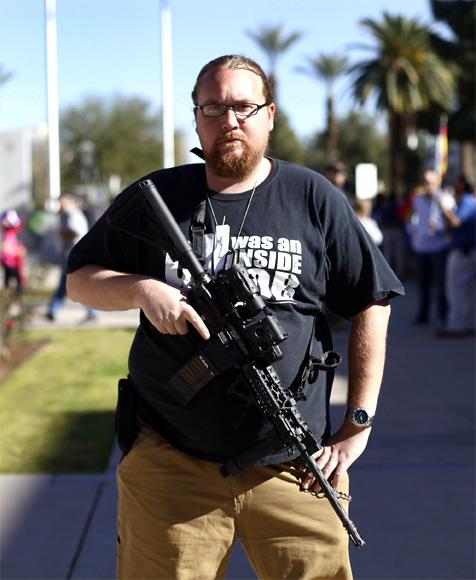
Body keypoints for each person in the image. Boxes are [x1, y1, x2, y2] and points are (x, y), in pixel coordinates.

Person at [66, 55, 404, 579]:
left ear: (269, 115)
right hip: (172, 467)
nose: (230, 120)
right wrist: (143, 290)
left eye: (244, 106)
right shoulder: (158, 197)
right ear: (197, 118)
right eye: (214, 107)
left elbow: (372, 299)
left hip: (298, 468)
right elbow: (80, 279)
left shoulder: (311, 196)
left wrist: (357, 422)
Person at [407, 169, 451, 326]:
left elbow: (451, 221)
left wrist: (440, 227)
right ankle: (423, 314)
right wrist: (412, 230)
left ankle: (443, 314)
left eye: (431, 182)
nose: (428, 186)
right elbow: (412, 218)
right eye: (426, 182)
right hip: (421, 246)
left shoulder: (444, 198)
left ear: (437, 182)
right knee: (423, 283)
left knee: (441, 283)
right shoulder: (418, 199)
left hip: (439, 246)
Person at [436, 175, 476, 337]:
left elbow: (455, 222)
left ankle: (456, 325)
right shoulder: (469, 201)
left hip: (463, 252)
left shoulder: (467, 201)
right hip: (468, 251)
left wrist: (443, 208)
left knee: (456, 289)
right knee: (468, 291)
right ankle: (467, 323)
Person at [46, 194, 96, 322]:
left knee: (73, 284)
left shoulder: (73, 215)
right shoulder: (64, 215)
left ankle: (53, 310)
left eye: (60, 202)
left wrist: (61, 234)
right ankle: (53, 310)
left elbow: (75, 233)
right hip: (67, 255)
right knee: (68, 285)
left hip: (74, 255)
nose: (59, 205)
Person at [1, 209, 26, 297]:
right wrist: (17, 251)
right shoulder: (7, 234)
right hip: (9, 262)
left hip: (11, 262)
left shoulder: (10, 233)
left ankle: (11, 297)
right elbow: (5, 248)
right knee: (15, 280)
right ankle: (12, 298)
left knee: (12, 280)